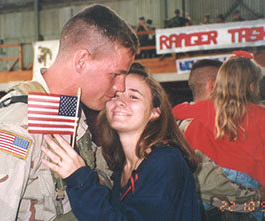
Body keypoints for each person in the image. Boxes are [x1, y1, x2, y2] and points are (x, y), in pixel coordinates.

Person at [0, 4, 138, 220]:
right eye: (115, 74)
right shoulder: (15, 127)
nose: (121, 86)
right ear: (81, 60)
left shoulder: (66, 109)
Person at [42, 63, 201, 220]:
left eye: (133, 96)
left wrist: (79, 178)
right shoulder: (122, 168)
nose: (120, 102)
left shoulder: (165, 161)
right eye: (115, 95)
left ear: (155, 112)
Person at [174, 54, 264, 220]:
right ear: (253, 87)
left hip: (213, 188)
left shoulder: (204, 110)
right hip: (250, 180)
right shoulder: (261, 114)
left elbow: (177, 111)